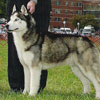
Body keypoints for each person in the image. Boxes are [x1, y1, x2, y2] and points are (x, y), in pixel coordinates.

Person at [6, 0, 51, 92]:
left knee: (38, 48)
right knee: (15, 48)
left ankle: (36, 87)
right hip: (14, 3)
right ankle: (17, 86)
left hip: (38, 8)